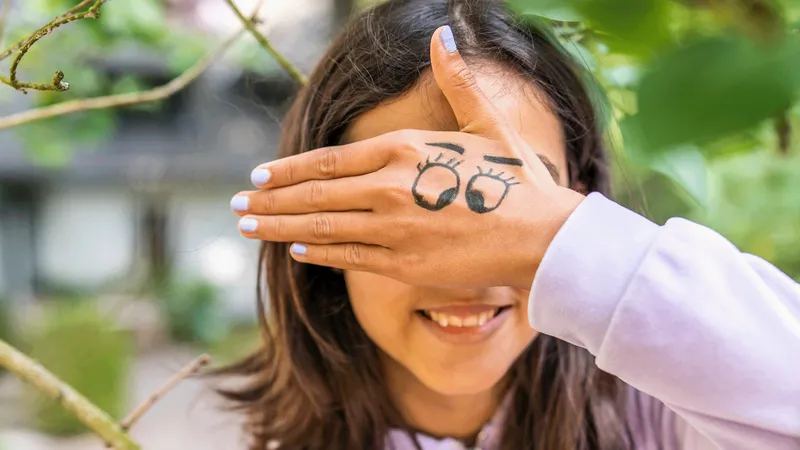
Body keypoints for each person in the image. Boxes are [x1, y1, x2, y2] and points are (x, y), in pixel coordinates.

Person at [220, 0, 800, 448]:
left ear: (579, 200)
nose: (463, 267)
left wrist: (557, 244)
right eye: (411, 207)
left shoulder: (673, 411)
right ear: (320, 217)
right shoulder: (246, 434)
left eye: (509, 204)